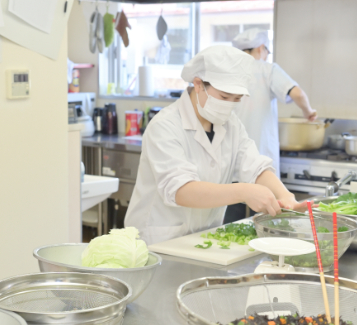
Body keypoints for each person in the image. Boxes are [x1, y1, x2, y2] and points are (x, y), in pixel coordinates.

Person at [124, 45, 301, 246]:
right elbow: (181, 190)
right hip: (158, 242)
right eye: (224, 97)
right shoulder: (164, 126)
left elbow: (255, 166)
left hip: (203, 239)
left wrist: (285, 196)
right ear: (198, 84)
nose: (230, 105)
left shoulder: (231, 124)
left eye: (237, 99)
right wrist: (244, 192)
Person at [232, 28, 317, 170]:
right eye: (267, 51)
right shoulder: (267, 70)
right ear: (260, 48)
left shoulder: (229, 71)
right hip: (260, 157)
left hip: (232, 160)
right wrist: (308, 111)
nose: (266, 55)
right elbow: (298, 94)